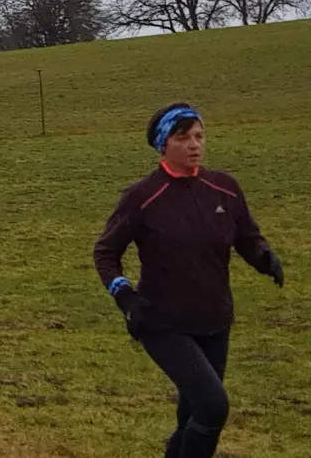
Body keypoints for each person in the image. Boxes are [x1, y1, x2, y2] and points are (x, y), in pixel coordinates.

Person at [94, 104, 284, 458]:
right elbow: (105, 253)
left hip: (215, 319)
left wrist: (263, 257)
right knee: (213, 407)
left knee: (192, 415)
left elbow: (245, 235)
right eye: (183, 138)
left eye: (199, 136)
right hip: (162, 322)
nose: (195, 145)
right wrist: (126, 297)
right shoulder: (141, 197)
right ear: (164, 144)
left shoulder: (224, 188)